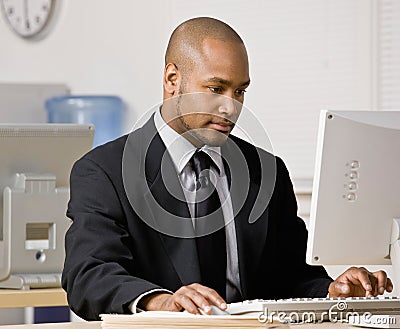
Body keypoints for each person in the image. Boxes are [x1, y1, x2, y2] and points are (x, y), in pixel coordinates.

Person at [62, 17, 393, 321]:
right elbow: (88, 275)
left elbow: (293, 276)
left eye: (240, 91)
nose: (230, 107)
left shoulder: (267, 171)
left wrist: (331, 292)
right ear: (172, 79)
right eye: (215, 89)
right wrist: (162, 302)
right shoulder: (103, 171)